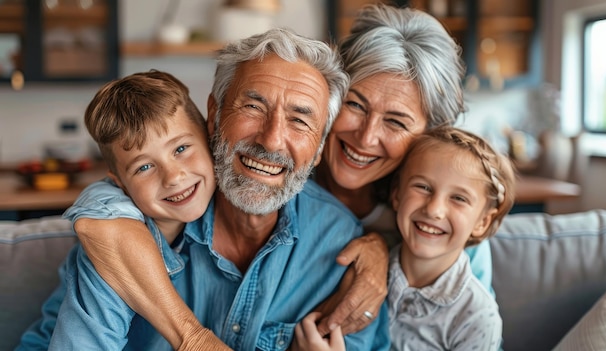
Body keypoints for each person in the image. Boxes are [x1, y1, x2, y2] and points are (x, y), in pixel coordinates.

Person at [52, 2, 494, 346]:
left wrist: (377, 248)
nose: (365, 136)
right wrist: (193, 339)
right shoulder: (172, 196)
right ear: (214, 114)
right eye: (356, 106)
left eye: (396, 122)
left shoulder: (429, 230)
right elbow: (104, 214)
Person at [23, 27, 391, 350]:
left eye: (299, 120)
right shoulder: (133, 228)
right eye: (253, 106)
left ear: (319, 149)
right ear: (214, 115)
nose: (273, 140)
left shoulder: (341, 246)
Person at [17, 70, 229, 349]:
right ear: (120, 184)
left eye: (180, 149)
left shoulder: (221, 221)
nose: (173, 176)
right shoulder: (108, 244)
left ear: (208, 136)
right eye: (144, 167)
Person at [294, 126, 515, 351]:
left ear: (482, 222)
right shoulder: (360, 272)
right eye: (423, 187)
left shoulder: (477, 316)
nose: (434, 209)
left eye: (458, 198)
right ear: (397, 194)